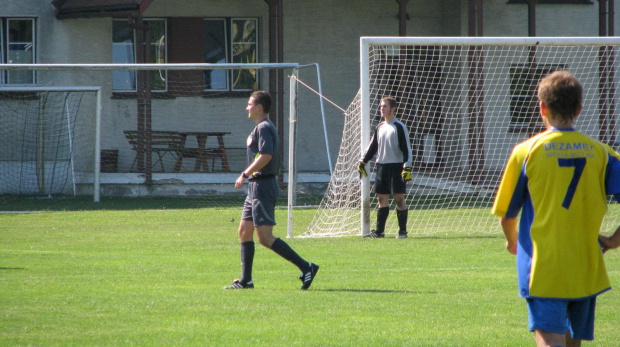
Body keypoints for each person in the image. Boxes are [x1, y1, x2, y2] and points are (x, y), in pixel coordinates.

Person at [491, 70, 620, 346]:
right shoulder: (602, 153)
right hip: (585, 267)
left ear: (542, 108)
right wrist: (612, 240)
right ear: (579, 109)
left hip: (543, 267)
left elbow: (507, 217)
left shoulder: (527, 152)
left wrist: (512, 242)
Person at [225, 90, 319, 290]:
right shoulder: (260, 127)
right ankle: (245, 281)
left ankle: (306, 267)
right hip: (255, 187)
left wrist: (244, 174)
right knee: (244, 231)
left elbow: (266, 155)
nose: (247, 107)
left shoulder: (265, 127)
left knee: (265, 238)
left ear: (259, 107)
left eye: (250, 104)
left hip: (264, 186)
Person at [357, 96, 413, 238]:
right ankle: (379, 232)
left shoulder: (399, 127)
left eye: (385, 106)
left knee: (399, 199)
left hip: (396, 167)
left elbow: (407, 149)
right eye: (381, 106)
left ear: (393, 109)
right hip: (381, 166)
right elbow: (373, 147)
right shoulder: (380, 126)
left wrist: (407, 167)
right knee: (382, 199)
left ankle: (402, 232)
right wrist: (363, 162)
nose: (382, 109)